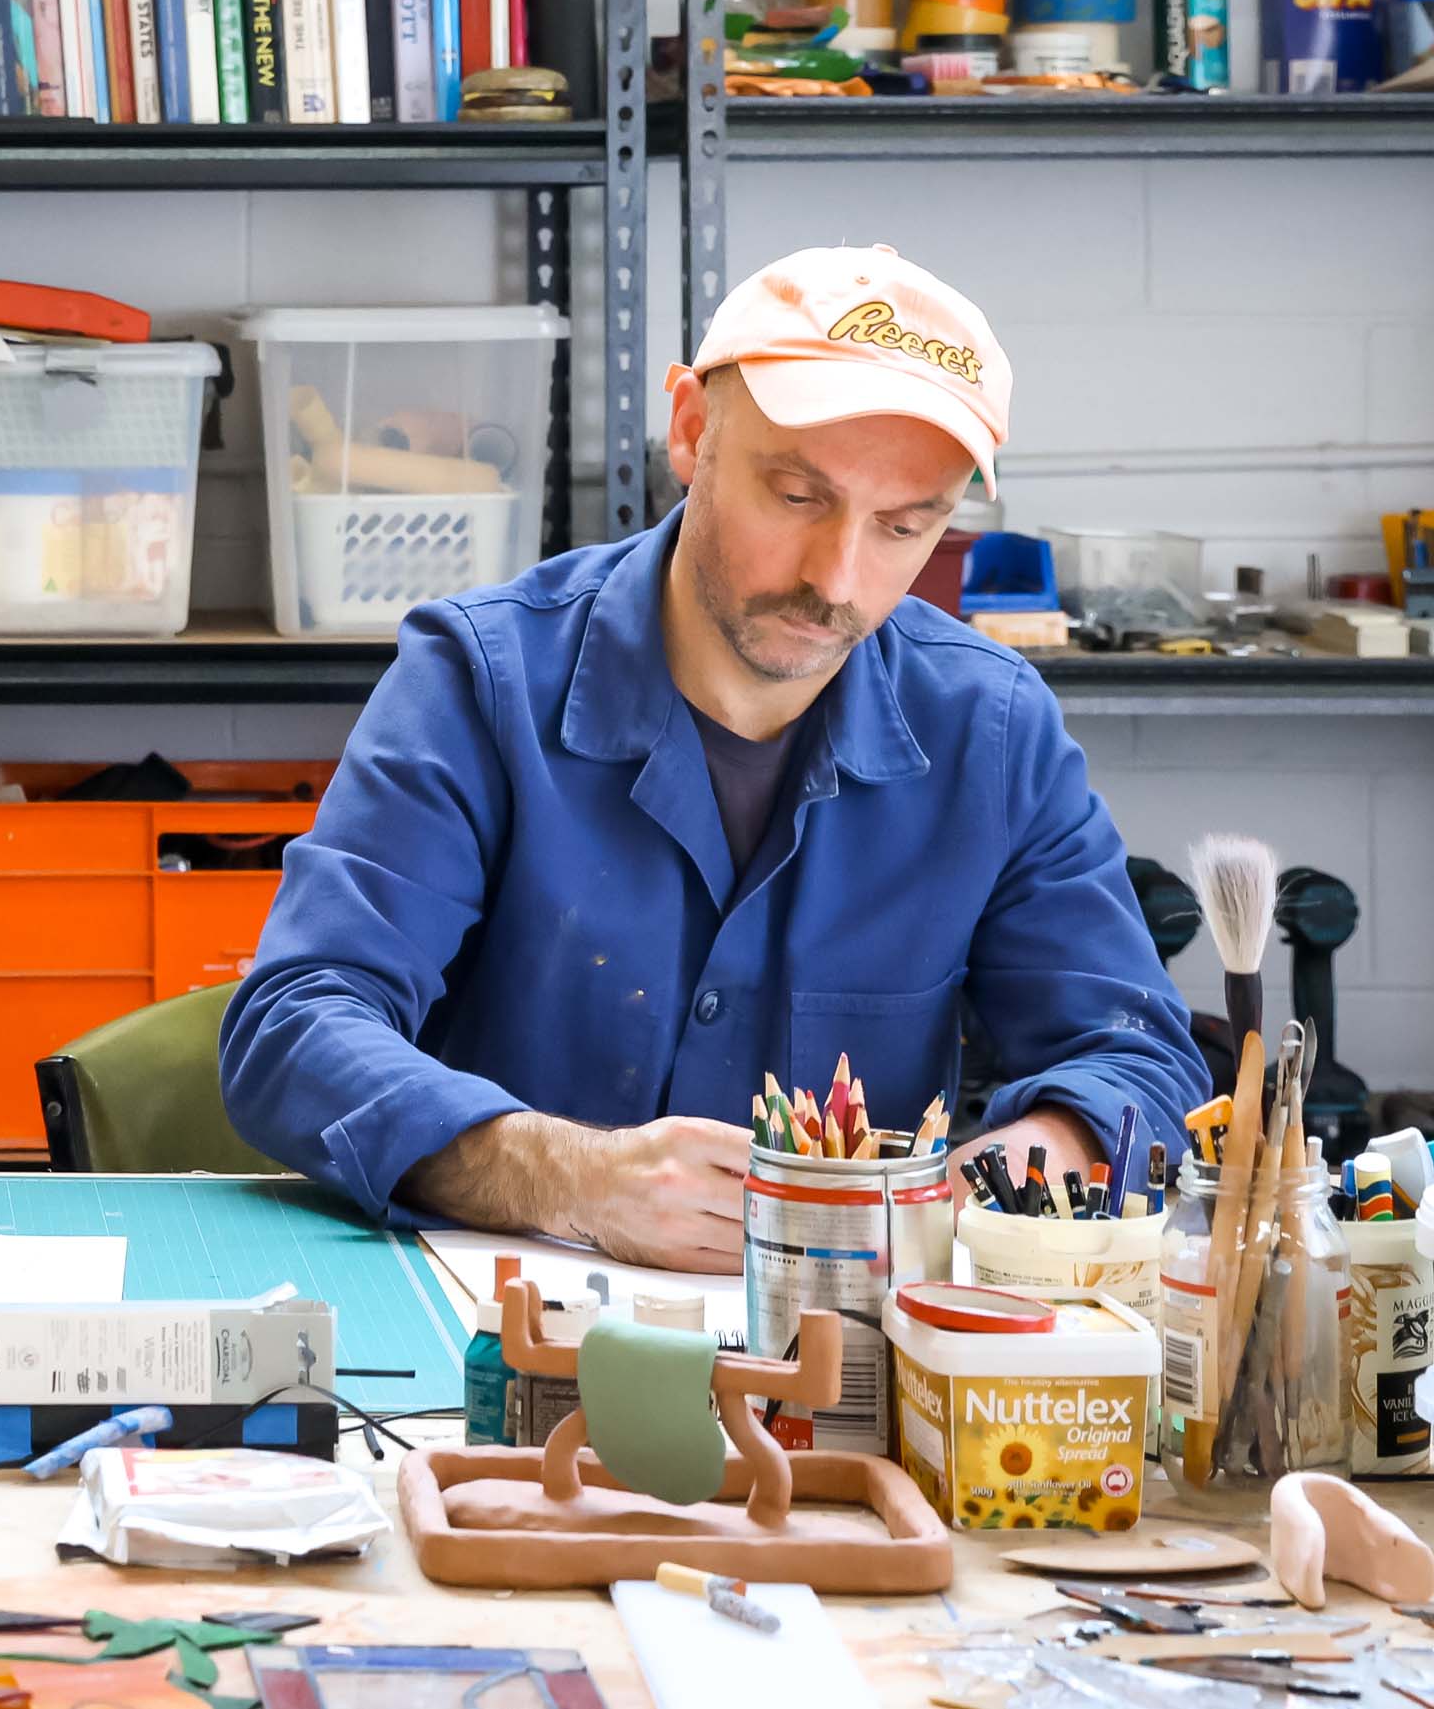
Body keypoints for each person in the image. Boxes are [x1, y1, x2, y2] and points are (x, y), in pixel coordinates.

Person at [220, 246, 1209, 1271]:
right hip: (505, 1323)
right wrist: (569, 1177)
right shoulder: (482, 680)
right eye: (795, 496)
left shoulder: (992, 734)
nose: (836, 578)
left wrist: (1006, 1176)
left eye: (902, 527)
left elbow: (1137, 1060)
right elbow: (295, 1025)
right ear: (690, 431)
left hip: (842, 1342)